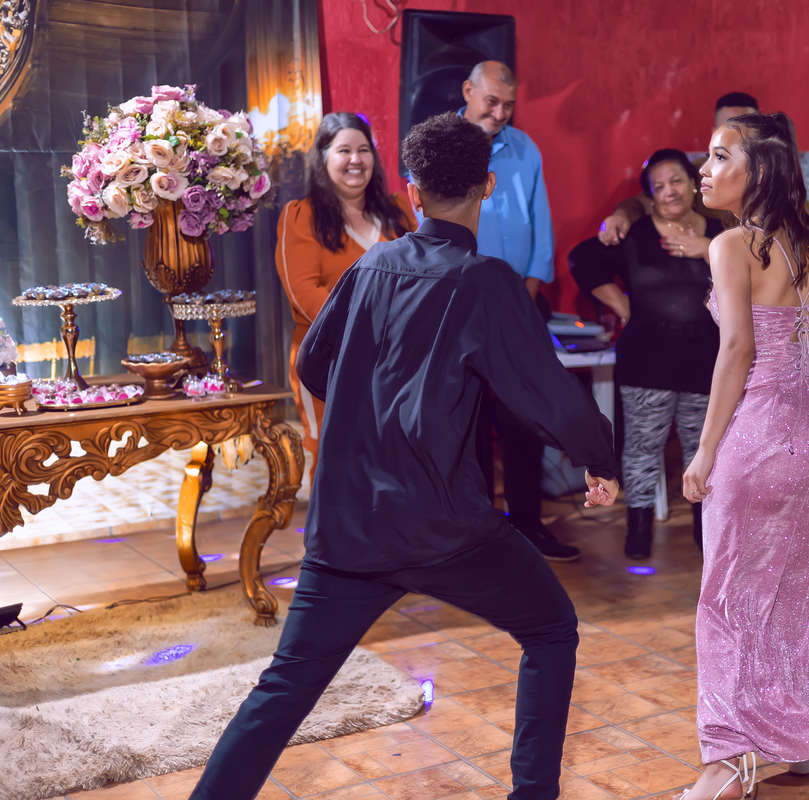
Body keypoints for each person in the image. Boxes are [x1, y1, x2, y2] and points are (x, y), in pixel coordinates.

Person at [190, 112, 619, 800]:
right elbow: (547, 396)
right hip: (444, 528)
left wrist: (373, 406)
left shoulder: (370, 267)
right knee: (551, 630)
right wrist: (598, 457)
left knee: (285, 685)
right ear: (488, 186)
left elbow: (315, 365)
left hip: (348, 525)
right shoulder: (489, 282)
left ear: (412, 191)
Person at [678, 112, 809, 798]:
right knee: (807, 589)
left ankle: (727, 765)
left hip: (763, 437)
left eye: (718, 155)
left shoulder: (731, 244)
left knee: (729, 599)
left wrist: (704, 452)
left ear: (756, 170)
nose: (704, 169)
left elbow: (737, 349)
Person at [571, 149, 722, 558]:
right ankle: (637, 529)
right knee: (641, 451)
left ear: (693, 184)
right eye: (659, 186)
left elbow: (754, 269)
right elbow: (582, 260)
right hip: (647, 364)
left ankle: (704, 530)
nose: (670, 191)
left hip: (707, 364)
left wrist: (706, 248)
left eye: (677, 181)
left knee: (704, 452)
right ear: (650, 196)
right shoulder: (635, 235)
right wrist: (622, 305)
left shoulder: (720, 232)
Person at [457, 60, 572, 560]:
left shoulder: (525, 148)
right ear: (468, 91)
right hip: (460, 306)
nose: (500, 113)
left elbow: (540, 226)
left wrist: (525, 297)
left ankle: (528, 523)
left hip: (521, 301)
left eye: (508, 105)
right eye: (491, 102)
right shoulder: (440, 142)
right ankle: (477, 532)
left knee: (526, 419)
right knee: (468, 421)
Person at [276, 113, 416, 480]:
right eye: (344, 150)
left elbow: (420, 279)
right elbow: (304, 292)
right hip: (328, 362)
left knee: (393, 461)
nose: (356, 159)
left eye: (363, 150)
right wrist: (369, 332)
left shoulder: (398, 211)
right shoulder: (300, 216)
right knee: (336, 464)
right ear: (323, 157)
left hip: (397, 361)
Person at [597, 92, 760, 245]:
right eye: (730, 129)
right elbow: (644, 202)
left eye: (747, 129)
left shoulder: (773, 174)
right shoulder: (696, 173)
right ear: (714, 133)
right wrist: (621, 216)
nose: (739, 138)